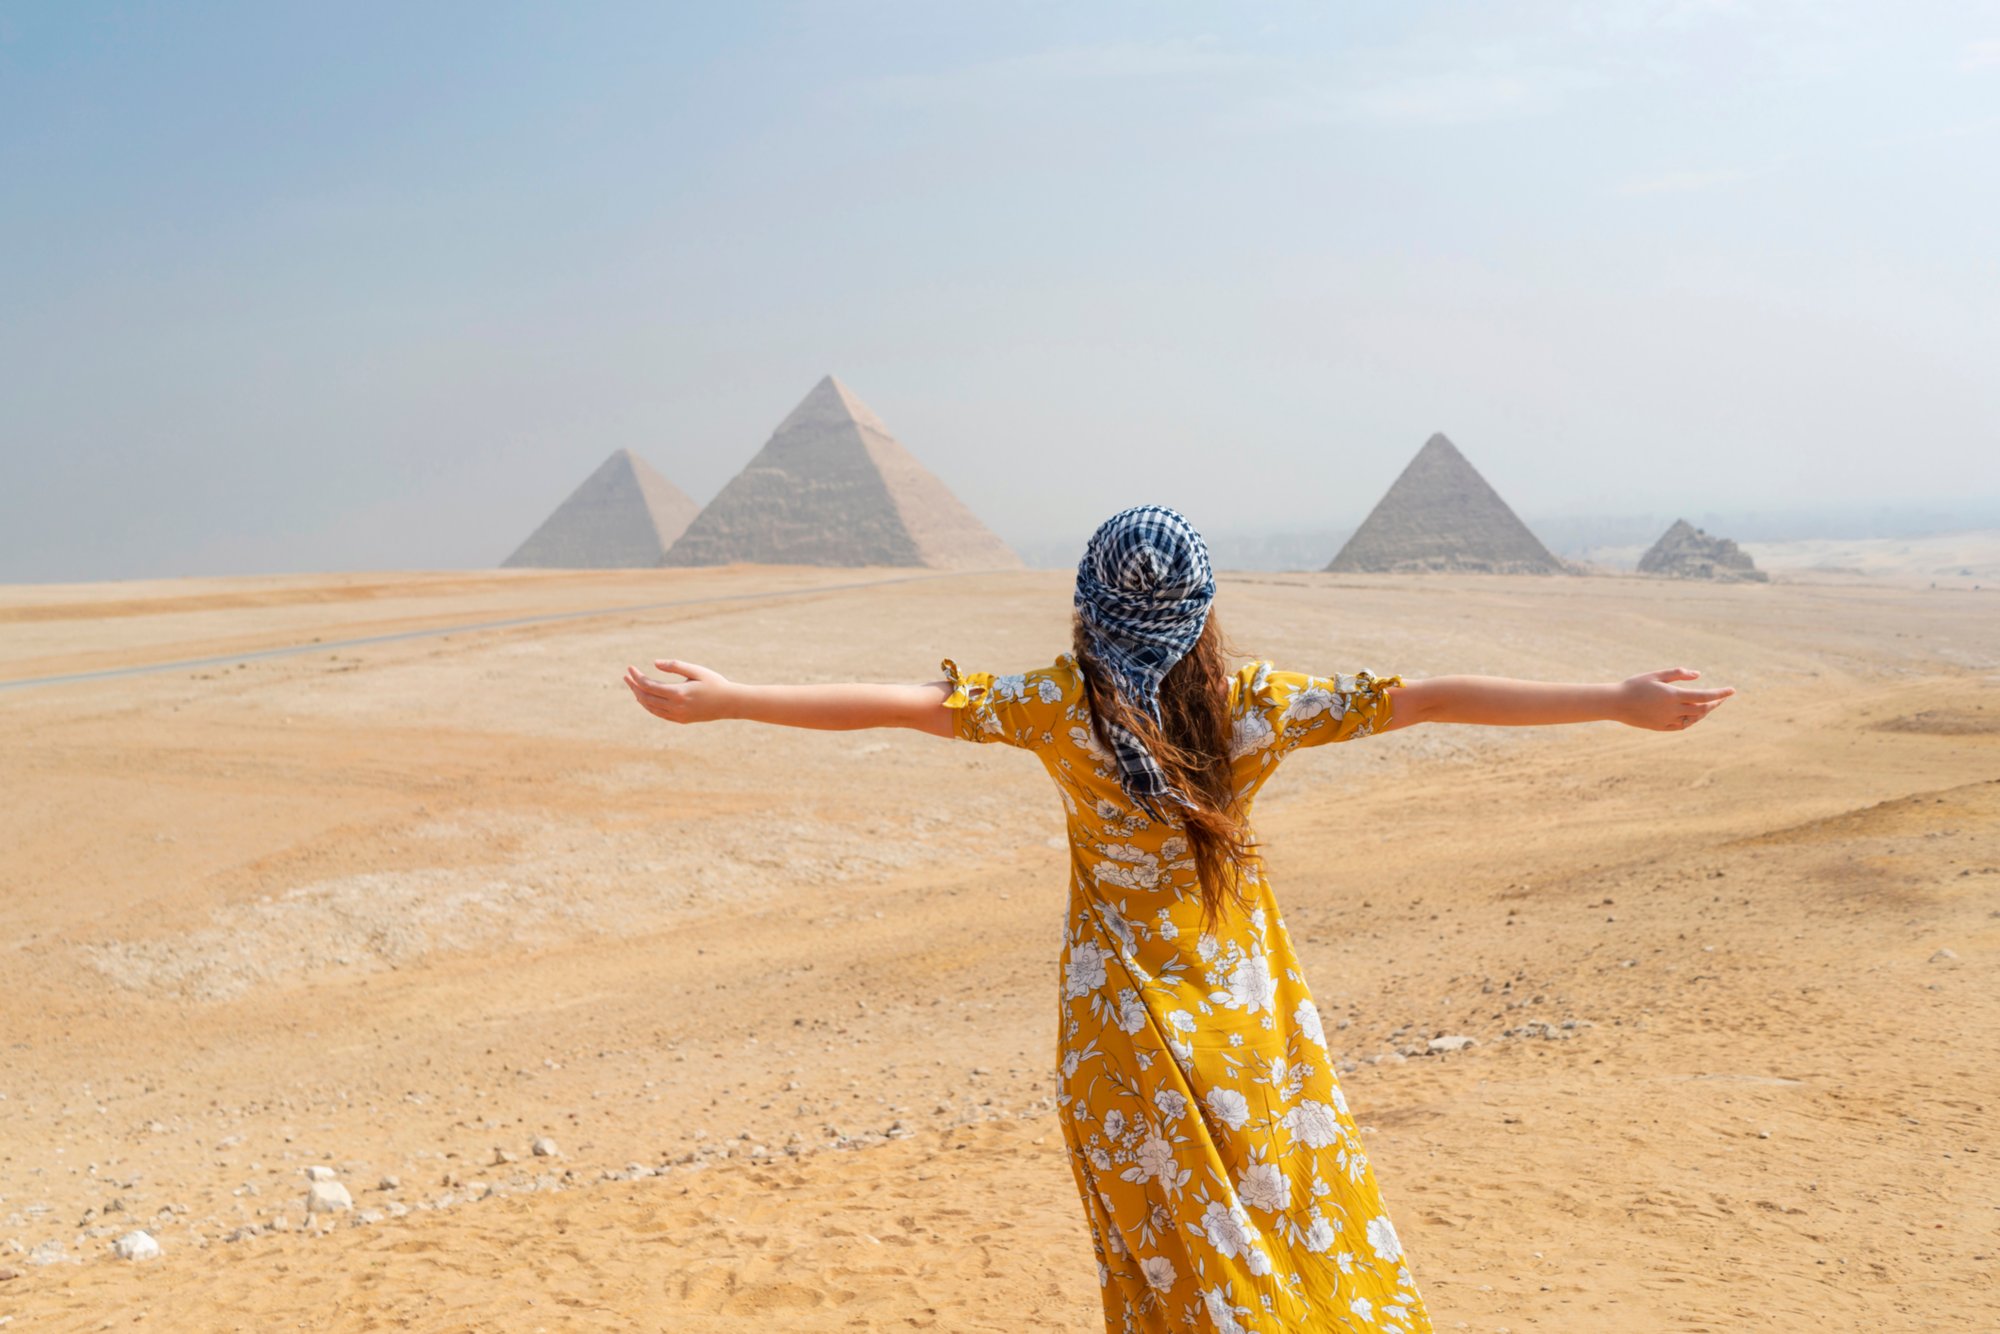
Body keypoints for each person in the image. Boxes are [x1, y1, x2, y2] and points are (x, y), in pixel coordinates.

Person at [622, 504, 1734, 1334]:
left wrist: (728, 697)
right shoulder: (1251, 706)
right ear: (1201, 606)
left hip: (1117, 1036)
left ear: (1086, 604)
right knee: (1287, 1221)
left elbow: (899, 707)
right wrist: (1617, 699)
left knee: (1165, 1253)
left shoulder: (1054, 708)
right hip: (1250, 1024)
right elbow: (1429, 694)